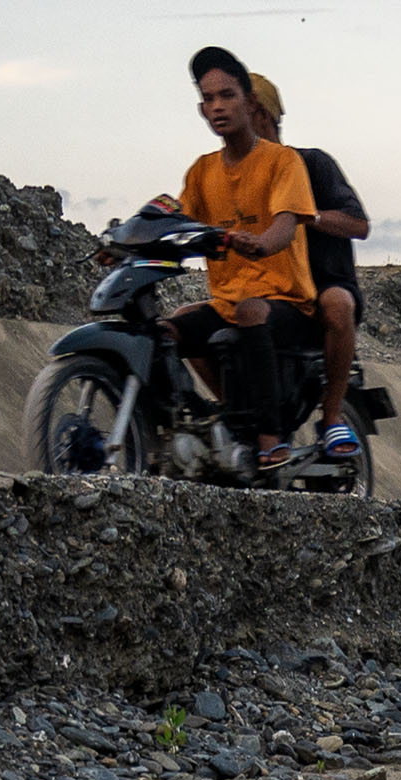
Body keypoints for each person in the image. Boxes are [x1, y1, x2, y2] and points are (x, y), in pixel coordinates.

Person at [143, 47, 315, 475]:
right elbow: (176, 220)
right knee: (169, 329)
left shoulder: (283, 161)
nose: (217, 106)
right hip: (228, 304)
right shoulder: (202, 172)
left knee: (251, 310)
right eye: (209, 98)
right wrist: (131, 240)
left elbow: (286, 223)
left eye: (227, 95)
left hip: (287, 302)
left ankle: (271, 440)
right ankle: (214, 419)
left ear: (250, 102)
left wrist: (261, 244)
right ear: (201, 109)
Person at [265, 105, 370, 462]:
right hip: (272, 291)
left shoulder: (313, 164)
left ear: (262, 114)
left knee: (338, 304)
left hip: (323, 284)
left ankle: (332, 417)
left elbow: (359, 224)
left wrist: (307, 216)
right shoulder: (229, 175)